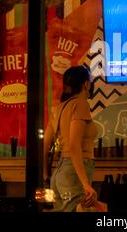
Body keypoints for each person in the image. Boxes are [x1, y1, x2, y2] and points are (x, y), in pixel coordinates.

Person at [43, 66, 97, 212]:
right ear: (85, 84)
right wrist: (85, 184)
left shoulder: (59, 108)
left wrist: (45, 174)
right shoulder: (80, 104)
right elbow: (74, 145)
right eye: (90, 82)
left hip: (59, 175)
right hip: (73, 174)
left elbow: (45, 144)